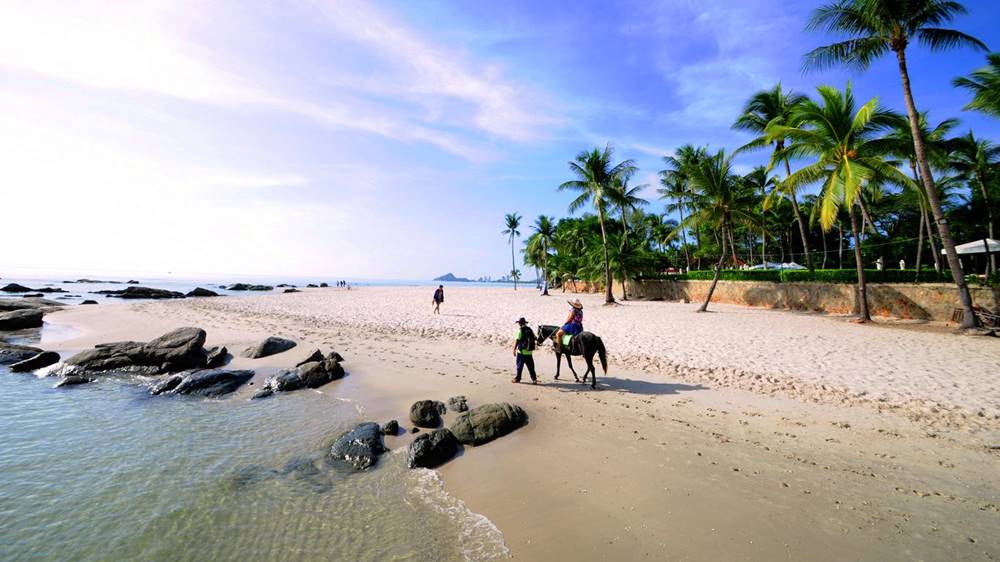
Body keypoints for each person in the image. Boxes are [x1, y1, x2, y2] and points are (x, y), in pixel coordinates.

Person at [512, 317, 537, 384]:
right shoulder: (530, 329)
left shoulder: (520, 330)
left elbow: (517, 340)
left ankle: (517, 379)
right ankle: (534, 379)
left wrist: (514, 350)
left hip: (521, 352)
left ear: (519, 324)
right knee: (531, 367)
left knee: (519, 366)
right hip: (529, 352)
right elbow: (535, 337)